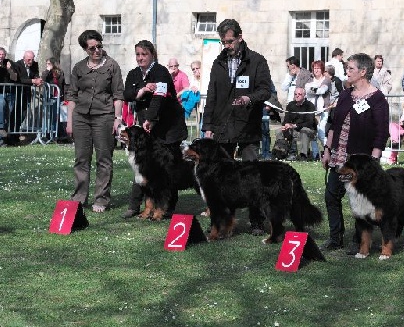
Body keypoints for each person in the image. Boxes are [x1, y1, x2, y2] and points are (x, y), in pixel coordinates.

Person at [321, 53, 390, 250]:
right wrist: (327, 150)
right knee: (331, 196)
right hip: (339, 158)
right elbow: (333, 125)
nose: (347, 72)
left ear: (363, 72)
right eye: (347, 68)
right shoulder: (344, 95)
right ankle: (335, 238)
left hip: (361, 162)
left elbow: (381, 132)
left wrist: (373, 161)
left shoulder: (378, 99)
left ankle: (359, 240)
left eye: (351, 68)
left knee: (359, 201)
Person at [122, 40, 189, 218]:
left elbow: (159, 98)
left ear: (152, 54)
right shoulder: (134, 73)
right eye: (138, 54)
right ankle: (135, 206)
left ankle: (167, 207)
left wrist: (150, 119)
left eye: (144, 54)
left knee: (167, 170)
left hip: (168, 129)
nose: (140, 58)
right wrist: (142, 90)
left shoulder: (161, 72)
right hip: (147, 128)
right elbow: (127, 94)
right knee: (143, 167)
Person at [65, 30, 124, 213]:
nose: (97, 50)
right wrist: (69, 122)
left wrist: (117, 118)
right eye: (92, 48)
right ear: (85, 49)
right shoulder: (79, 68)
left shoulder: (112, 66)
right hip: (81, 117)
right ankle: (79, 198)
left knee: (104, 159)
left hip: (104, 116)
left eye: (99, 46)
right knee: (81, 159)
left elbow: (118, 95)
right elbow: (72, 96)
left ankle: (101, 199)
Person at [202, 18, 273, 162]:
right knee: (222, 171)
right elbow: (212, 96)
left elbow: (265, 90)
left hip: (248, 126)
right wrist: (208, 127)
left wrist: (249, 98)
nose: (227, 46)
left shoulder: (257, 61)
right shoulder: (218, 63)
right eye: (223, 42)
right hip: (223, 127)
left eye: (230, 41)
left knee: (250, 171)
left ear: (239, 37)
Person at [305, 60, 332, 159]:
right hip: (312, 110)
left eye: (318, 68)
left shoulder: (326, 80)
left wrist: (313, 89)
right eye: (314, 68)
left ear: (322, 69)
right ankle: (315, 154)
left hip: (323, 110)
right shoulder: (310, 79)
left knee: (321, 132)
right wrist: (315, 89)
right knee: (313, 132)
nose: (316, 70)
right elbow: (306, 89)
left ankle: (329, 152)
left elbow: (322, 90)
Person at [13, 50, 42, 133]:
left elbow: (36, 75)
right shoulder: (17, 65)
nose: (31, 61)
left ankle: (16, 132)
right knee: (14, 114)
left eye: (32, 59)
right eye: (29, 59)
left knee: (24, 114)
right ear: (24, 58)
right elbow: (18, 79)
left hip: (27, 94)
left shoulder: (34, 65)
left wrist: (38, 80)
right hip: (17, 93)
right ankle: (11, 133)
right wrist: (33, 81)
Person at [43, 58, 65, 136]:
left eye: (49, 64)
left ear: (53, 64)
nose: (47, 65)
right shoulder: (46, 72)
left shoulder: (60, 72)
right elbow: (43, 79)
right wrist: (47, 70)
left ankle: (58, 134)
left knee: (58, 116)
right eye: (46, 64)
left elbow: (62, 84)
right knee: (51, 116)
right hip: (50, 96)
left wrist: (65, 97)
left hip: (59, 96)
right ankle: (49, 134)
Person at [0, 47, 17, 146]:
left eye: (2, 54)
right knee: (1, 110)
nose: (1, 56)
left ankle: (5, 140)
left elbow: (15, 78)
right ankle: (1, 131)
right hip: (0, 93)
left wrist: (9, 69)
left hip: (10, 93)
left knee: (8, 115)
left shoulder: (9, 63)